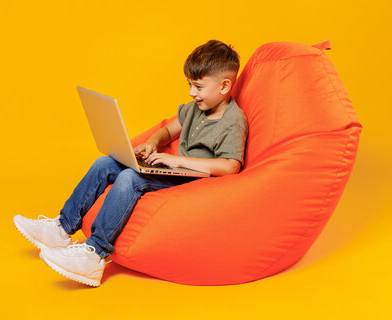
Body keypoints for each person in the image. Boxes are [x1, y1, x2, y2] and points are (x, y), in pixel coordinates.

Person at [13, 40, 249, 287]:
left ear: (224, 86)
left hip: (194, 179)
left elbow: (231, 166)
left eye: (198, 87)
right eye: (190, 85)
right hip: (174, 169)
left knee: (130, 178)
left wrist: (175, 160)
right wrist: (153, 144)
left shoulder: (233, 121)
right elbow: (167, 131)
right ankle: (61, 228)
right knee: (105, 162)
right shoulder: (195, 109)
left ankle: (95, 253)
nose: (192, 93)